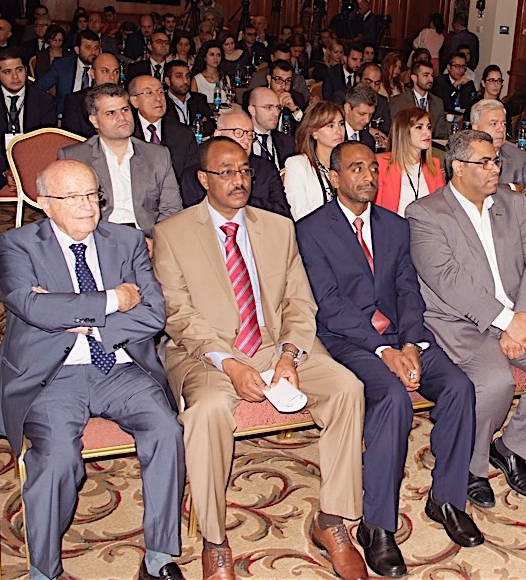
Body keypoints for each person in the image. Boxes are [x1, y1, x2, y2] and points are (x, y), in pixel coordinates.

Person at [152, 137, 367, 580]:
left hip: (274, 345)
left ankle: (332, 520)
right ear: (203, 179)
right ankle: (214, 541)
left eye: (245, 171)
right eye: (226, 172)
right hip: (208, 353)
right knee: (208, 411)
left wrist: (289, 355)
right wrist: (230, 364)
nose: (239, 180)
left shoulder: (277, 227)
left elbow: (299, 302)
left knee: (347, 388)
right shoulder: (173, 233)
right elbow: (178, 315)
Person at [0, 159, 185, 580]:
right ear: (44, 203)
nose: (86, 206)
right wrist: (114, 299)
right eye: (72, 197)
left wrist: (81, 320)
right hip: (53, 375)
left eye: (92, 195)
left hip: (120, 367)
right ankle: (44, 570)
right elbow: (28, 305)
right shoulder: (16, 245)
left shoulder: (126, 240)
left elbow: (154, 313)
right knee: (56, 458)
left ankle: (159, 557)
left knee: (166, 431)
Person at [296, 141, 482, 576]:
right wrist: (384, 351)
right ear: (334, 177)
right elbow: (328, 304)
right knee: (393, 398)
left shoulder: (395, 226)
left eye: (372, 168)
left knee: (459, 388)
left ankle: (447, 499)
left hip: (403, 337)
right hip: (350, 342)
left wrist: (411, 344)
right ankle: (377, 525)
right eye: (356, 169)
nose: (368, 176)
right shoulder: (311, 229)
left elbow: (408, 290)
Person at [407, 129, 526, 508]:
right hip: (462, 322)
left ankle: (511, 448)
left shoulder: (512, 203)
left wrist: (525, 314)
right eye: (484, 162)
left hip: (520, 314)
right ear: (457, 167)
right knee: (495, 382)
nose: (494, 169)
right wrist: (506, 321)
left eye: (496, 161)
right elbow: (448, 281)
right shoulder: (425, 213)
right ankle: (471, 464)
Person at [58, 83, 182, 245]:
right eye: (111, 113)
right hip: (96, 239)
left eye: (124, 110)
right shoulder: (75, 158)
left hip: (145, 239)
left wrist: (156, 241)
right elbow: (67, 212)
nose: (122, 118)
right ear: (94, 121)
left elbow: (171, 210)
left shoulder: (157, 155)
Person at [0, 47, 57, 269]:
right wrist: (7, 169)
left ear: (26, 70)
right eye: (7, 72)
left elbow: (44, 141)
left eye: (19, 70)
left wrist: (23, 171)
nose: (15, 77)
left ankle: (57, 247)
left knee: (60, 181)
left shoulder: (43, 100)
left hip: (33, 161)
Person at [179, 109, 291, 218]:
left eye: (250, 134)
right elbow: (195, 215)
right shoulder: (197, 172)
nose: (246, 140)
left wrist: (240, 197)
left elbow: (282, 211)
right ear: (218, 134)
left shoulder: (265, 168)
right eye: (238, 133)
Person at [128, 75, 199, 183]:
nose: (158, 98)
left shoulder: (183, 134)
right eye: (149, 93)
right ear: (134, 101)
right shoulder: (126, 134)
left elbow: (191, 178)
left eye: (161, 92)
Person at [375, 107, 445, 216]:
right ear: (403, 132)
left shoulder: (434, 165)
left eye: (429, 127)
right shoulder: (382, 164)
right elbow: (376, 213)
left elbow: (441, 209)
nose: (427, 133)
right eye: (419, 127)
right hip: (392, 225)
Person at [284, 101, 346, 220]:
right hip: (314, 229)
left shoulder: (348, 164)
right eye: (330, 126)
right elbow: (300, 214)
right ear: (314, 133)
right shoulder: (297, 164)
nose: (339, 131)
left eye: (341, 124)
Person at [468, 99, 526, 192]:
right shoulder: (463, 155)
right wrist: (511, 188)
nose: (501, 129)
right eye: (494, 124)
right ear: (476, 128)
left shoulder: (519, 156)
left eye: (504, 124)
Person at [34, 29, 102, 115]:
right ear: (77, 50)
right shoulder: (61, 66)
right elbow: (38, 88)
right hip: (64, 115)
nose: (93, 52)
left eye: (96, 48)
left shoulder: (103, 68)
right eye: (88, 48)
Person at [61, 52, 122, 139]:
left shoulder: (126, 101)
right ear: (92, 74)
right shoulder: (75, 101)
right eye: (105, 71)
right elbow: (71, 139)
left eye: (116, 72)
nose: (112, 77)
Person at [389, 60, 447, 139]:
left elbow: (441, 134)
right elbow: (395, 133)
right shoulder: (398, 102)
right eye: (426, 75)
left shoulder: (438, 103)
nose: (431, 79)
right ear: (414, 78)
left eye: (432, 75)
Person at [432, 52, 476, 117]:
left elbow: (471, 107)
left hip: (462, 119)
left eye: (463, 67)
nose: (461, 70)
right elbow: (444, 105)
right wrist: (454, 86)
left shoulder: (468, 84)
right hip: (444, 118)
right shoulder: (439, 82)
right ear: (448, 67)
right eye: (457, 66)